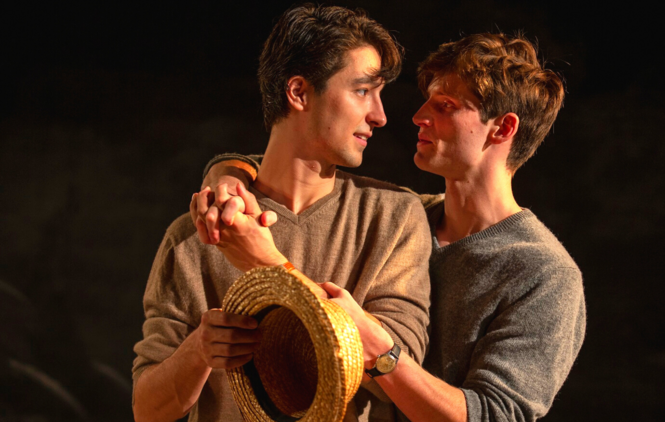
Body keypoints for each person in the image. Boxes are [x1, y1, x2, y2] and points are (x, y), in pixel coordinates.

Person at [200, 33, 586, 422]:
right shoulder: (402, 216)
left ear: (502, 129)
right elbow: (286, 170)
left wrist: (382, 356)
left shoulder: (544, 274)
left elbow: (494, 416)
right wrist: (227, 173)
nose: (418, 116)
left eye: (445, 106)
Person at [131, 5, 432, 422]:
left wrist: (266, 264)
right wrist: (197, 352)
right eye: (363, 90)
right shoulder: (197, 232)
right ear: (299, 93)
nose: (379, 115)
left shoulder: (393, 217)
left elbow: (395, 374)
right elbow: (147, 410)